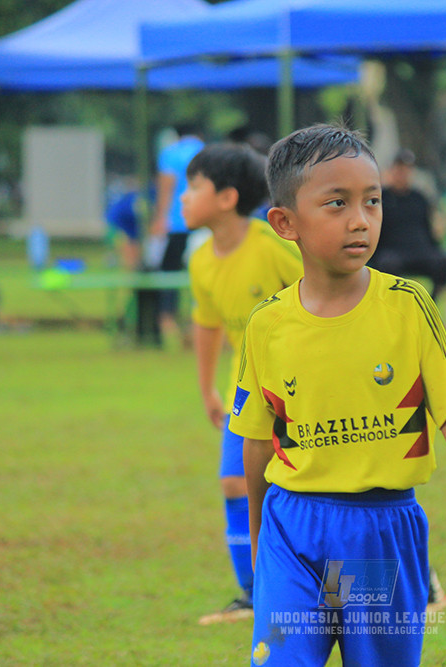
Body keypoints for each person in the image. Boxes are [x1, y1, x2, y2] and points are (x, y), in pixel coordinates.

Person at [232, 124, 446, 667]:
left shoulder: (408, 307)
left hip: (376, 531)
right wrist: (259, 536)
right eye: (337, 203)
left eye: (372, 201)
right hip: (291, 529)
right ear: (285, 223)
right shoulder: (266, 325)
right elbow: (257, 441)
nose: (360, 219)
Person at [180, 143, 305, 625]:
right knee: (235, 481)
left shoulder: (273, 244)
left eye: (194, 187)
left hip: (301, 387)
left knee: (324, 488)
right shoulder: (200, 260)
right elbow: (208, 323)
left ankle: (415, 577)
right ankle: (254, 594)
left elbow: (325, 285)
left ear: (227, 198)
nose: (184, 197)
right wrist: (207, 389)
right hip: (247, 388)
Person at [150, 123, 206, 347]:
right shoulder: (206, 151)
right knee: (201, 275)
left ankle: (168, 321)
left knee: (169, 274)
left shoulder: (170, 153)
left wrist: (160, 217)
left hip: (175, 223)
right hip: (202, 222)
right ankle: (197, 324)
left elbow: (166, 186)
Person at [367, 149, 446, 299]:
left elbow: (427, 229)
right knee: (387, 264)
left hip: (419, 250)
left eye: (406, 170)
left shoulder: (419, 198)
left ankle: (431, 302)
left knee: (442, 261)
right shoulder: (381, 198)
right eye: (399, 169)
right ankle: (392, 301)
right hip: (392, 251)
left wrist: (435, 244)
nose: (402, 174)